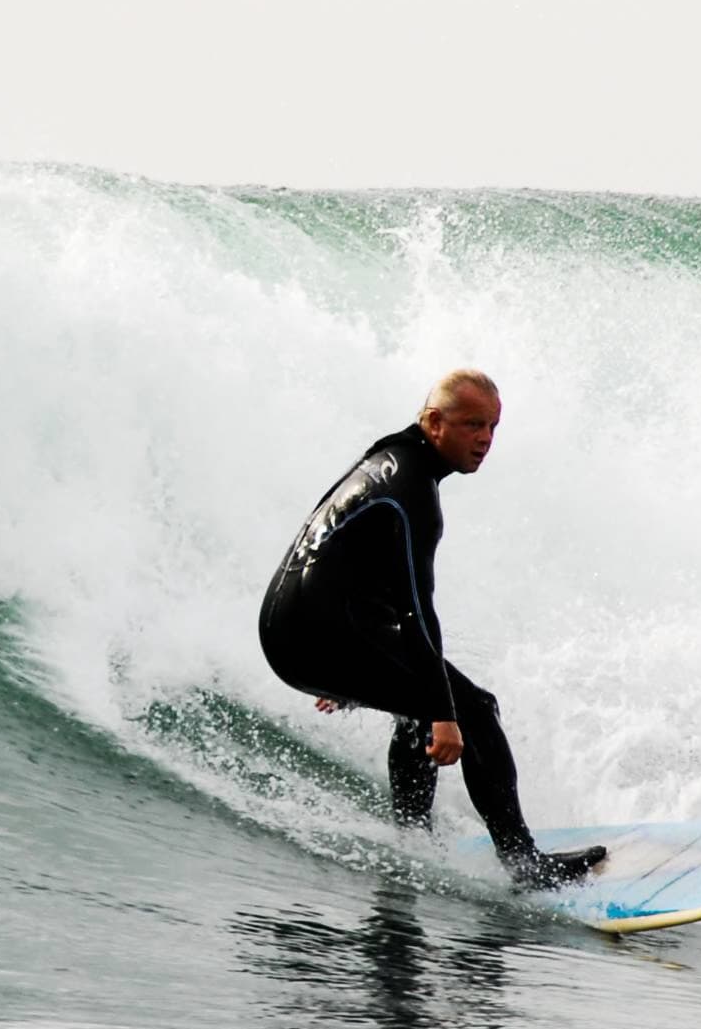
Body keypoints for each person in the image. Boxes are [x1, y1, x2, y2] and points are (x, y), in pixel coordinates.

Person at [258, 370, 603, 886]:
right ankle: (524, 864)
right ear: (434, 422)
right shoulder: (411, 492)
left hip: (300, 628)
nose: (485, 440)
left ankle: (411, 842)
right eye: (472, 425)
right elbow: (417, 611)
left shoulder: (389, 456)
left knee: (418, 698)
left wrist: (346, 661)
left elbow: (343, 559)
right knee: (473, 709)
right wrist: (442, 712)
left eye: (492, 427)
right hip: (315, 635)